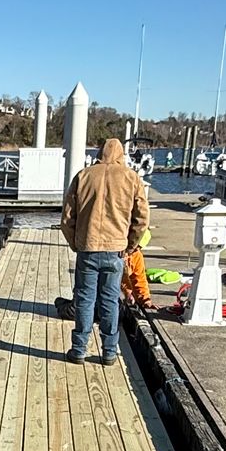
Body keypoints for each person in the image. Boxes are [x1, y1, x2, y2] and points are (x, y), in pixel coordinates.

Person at [59, 136, 150, 363]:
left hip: (88, 248)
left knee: (84, 299)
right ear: (121, 155)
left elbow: (67, 218)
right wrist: (130, 246)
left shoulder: (84, 175)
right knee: (110, 300)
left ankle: (79, 349)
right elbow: (142, 220)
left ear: (100, 152)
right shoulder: (132, 178)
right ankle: (110, 351)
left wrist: (76, 243)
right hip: (116, 250)